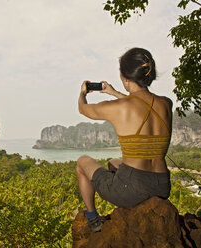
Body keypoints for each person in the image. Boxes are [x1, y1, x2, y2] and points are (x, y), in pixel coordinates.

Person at [76, 47, 173, 232]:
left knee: (82, 163)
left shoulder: (120, 107)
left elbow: (83, 109)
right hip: (162, 185)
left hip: (133, 189)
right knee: (113, 162)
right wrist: (114, 93)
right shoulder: (166, 103)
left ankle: (93, 218)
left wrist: (82, 93)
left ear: (124, 76)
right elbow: (142, 105)